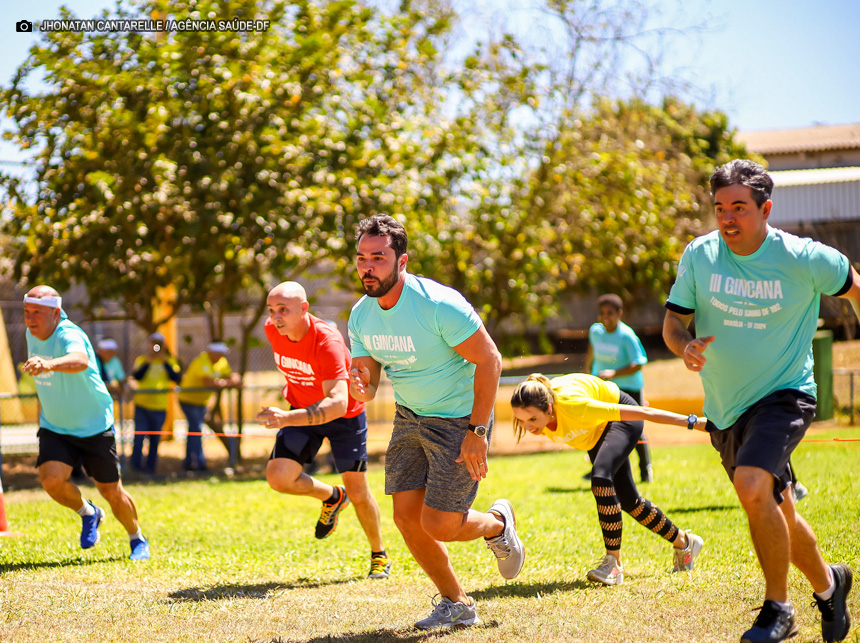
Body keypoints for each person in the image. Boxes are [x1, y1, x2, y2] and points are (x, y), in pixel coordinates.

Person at [663, 159, 856, 643]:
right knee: (778, 510)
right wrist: (682, 345)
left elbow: (855, 288)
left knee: (752, 488)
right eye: (720, 208)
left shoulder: (804, 258)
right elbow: (672, 323)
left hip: (785, 394)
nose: (728, 218)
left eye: (740, 208)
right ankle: (831, 585)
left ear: (765, 208)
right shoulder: (701, 256)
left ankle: (779, 610)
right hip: (726, 408)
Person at [347, 215, 524, 630]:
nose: (367, 267)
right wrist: (360, 386)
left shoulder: (437, 305)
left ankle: (497, 524)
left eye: (378, 258)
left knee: (441, 524)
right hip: (409, 416)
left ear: (402, 261)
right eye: (361, 258)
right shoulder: (361, 315)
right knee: (407, 518)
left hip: (459, 418)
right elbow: (368, 384)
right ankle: (457, 603)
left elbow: (490, 359)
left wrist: (477, 432)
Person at [510, 372, 704, 585]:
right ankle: (684, 542)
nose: (528, 427)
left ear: (549, 408)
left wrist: (693, 422)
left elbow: (644, 412)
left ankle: (613, 564)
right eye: (520, 420)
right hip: (597, 433)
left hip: (620, 420)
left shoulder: (574, 406)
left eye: (532, 419)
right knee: (631, 503)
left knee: (600, 479)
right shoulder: (538, 412)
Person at [257, 281, 391, 579]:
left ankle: (379, 553)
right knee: (278, 477)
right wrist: (291, 415)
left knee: (358, 492)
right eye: (271, 310)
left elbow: (338, 404)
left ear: (304, 309)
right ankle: (332, 497)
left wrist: (286, 419)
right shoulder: (272, 331)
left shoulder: (326, 341)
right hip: (303, 413)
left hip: (344, 418)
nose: (276, 317)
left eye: (283, 310)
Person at [22, 286, 150, 560]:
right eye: (26, 312)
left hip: (94, 426)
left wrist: (48, 364)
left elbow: (79, 359)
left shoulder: (69, 333)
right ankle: (89, 513)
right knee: (51, 481)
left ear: (56, 313)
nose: (30, 318)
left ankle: (136, 537)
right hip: (55, 426)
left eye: (37, 312)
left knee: (111, 491)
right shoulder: (30, 333)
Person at [585, 294, 654, 482]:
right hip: (604, 388)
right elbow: (591, 352)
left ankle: (645, 468)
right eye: (601, 313)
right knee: (602, 428)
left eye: (610, 313)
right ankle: (600, 468)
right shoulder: (595, 331)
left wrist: (614, 373)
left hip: (628, 388)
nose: (605, 317)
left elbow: (639, 363)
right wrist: (587, 373)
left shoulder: (626, 335)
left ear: (619, 314)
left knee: (635, 428)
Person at [177, 341, 241, 472]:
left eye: (222, 354)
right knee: (196, 429)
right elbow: (208, 382)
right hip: (188, 400)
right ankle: (198, 463)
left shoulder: (221, 362)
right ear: (211, 352)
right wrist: (227, 383)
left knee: (194, 430)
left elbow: (230, 375)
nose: (220, 356)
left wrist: (234, 379)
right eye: (218, 354)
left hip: (201, 402)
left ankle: (190, 462)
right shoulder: (201, 361)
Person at [130, 332, 181, 475]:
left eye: (159, 343)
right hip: (142, 405)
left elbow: (176, 378)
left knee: (154, 440)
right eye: (153, 343)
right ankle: (136, 468)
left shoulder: (170, 361)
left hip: (159, 407)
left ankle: (150, 469)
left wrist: (164, 362)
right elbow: (137, 376)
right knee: (139, 437)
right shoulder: (142, 360)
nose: (155, 346)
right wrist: (149, 362)